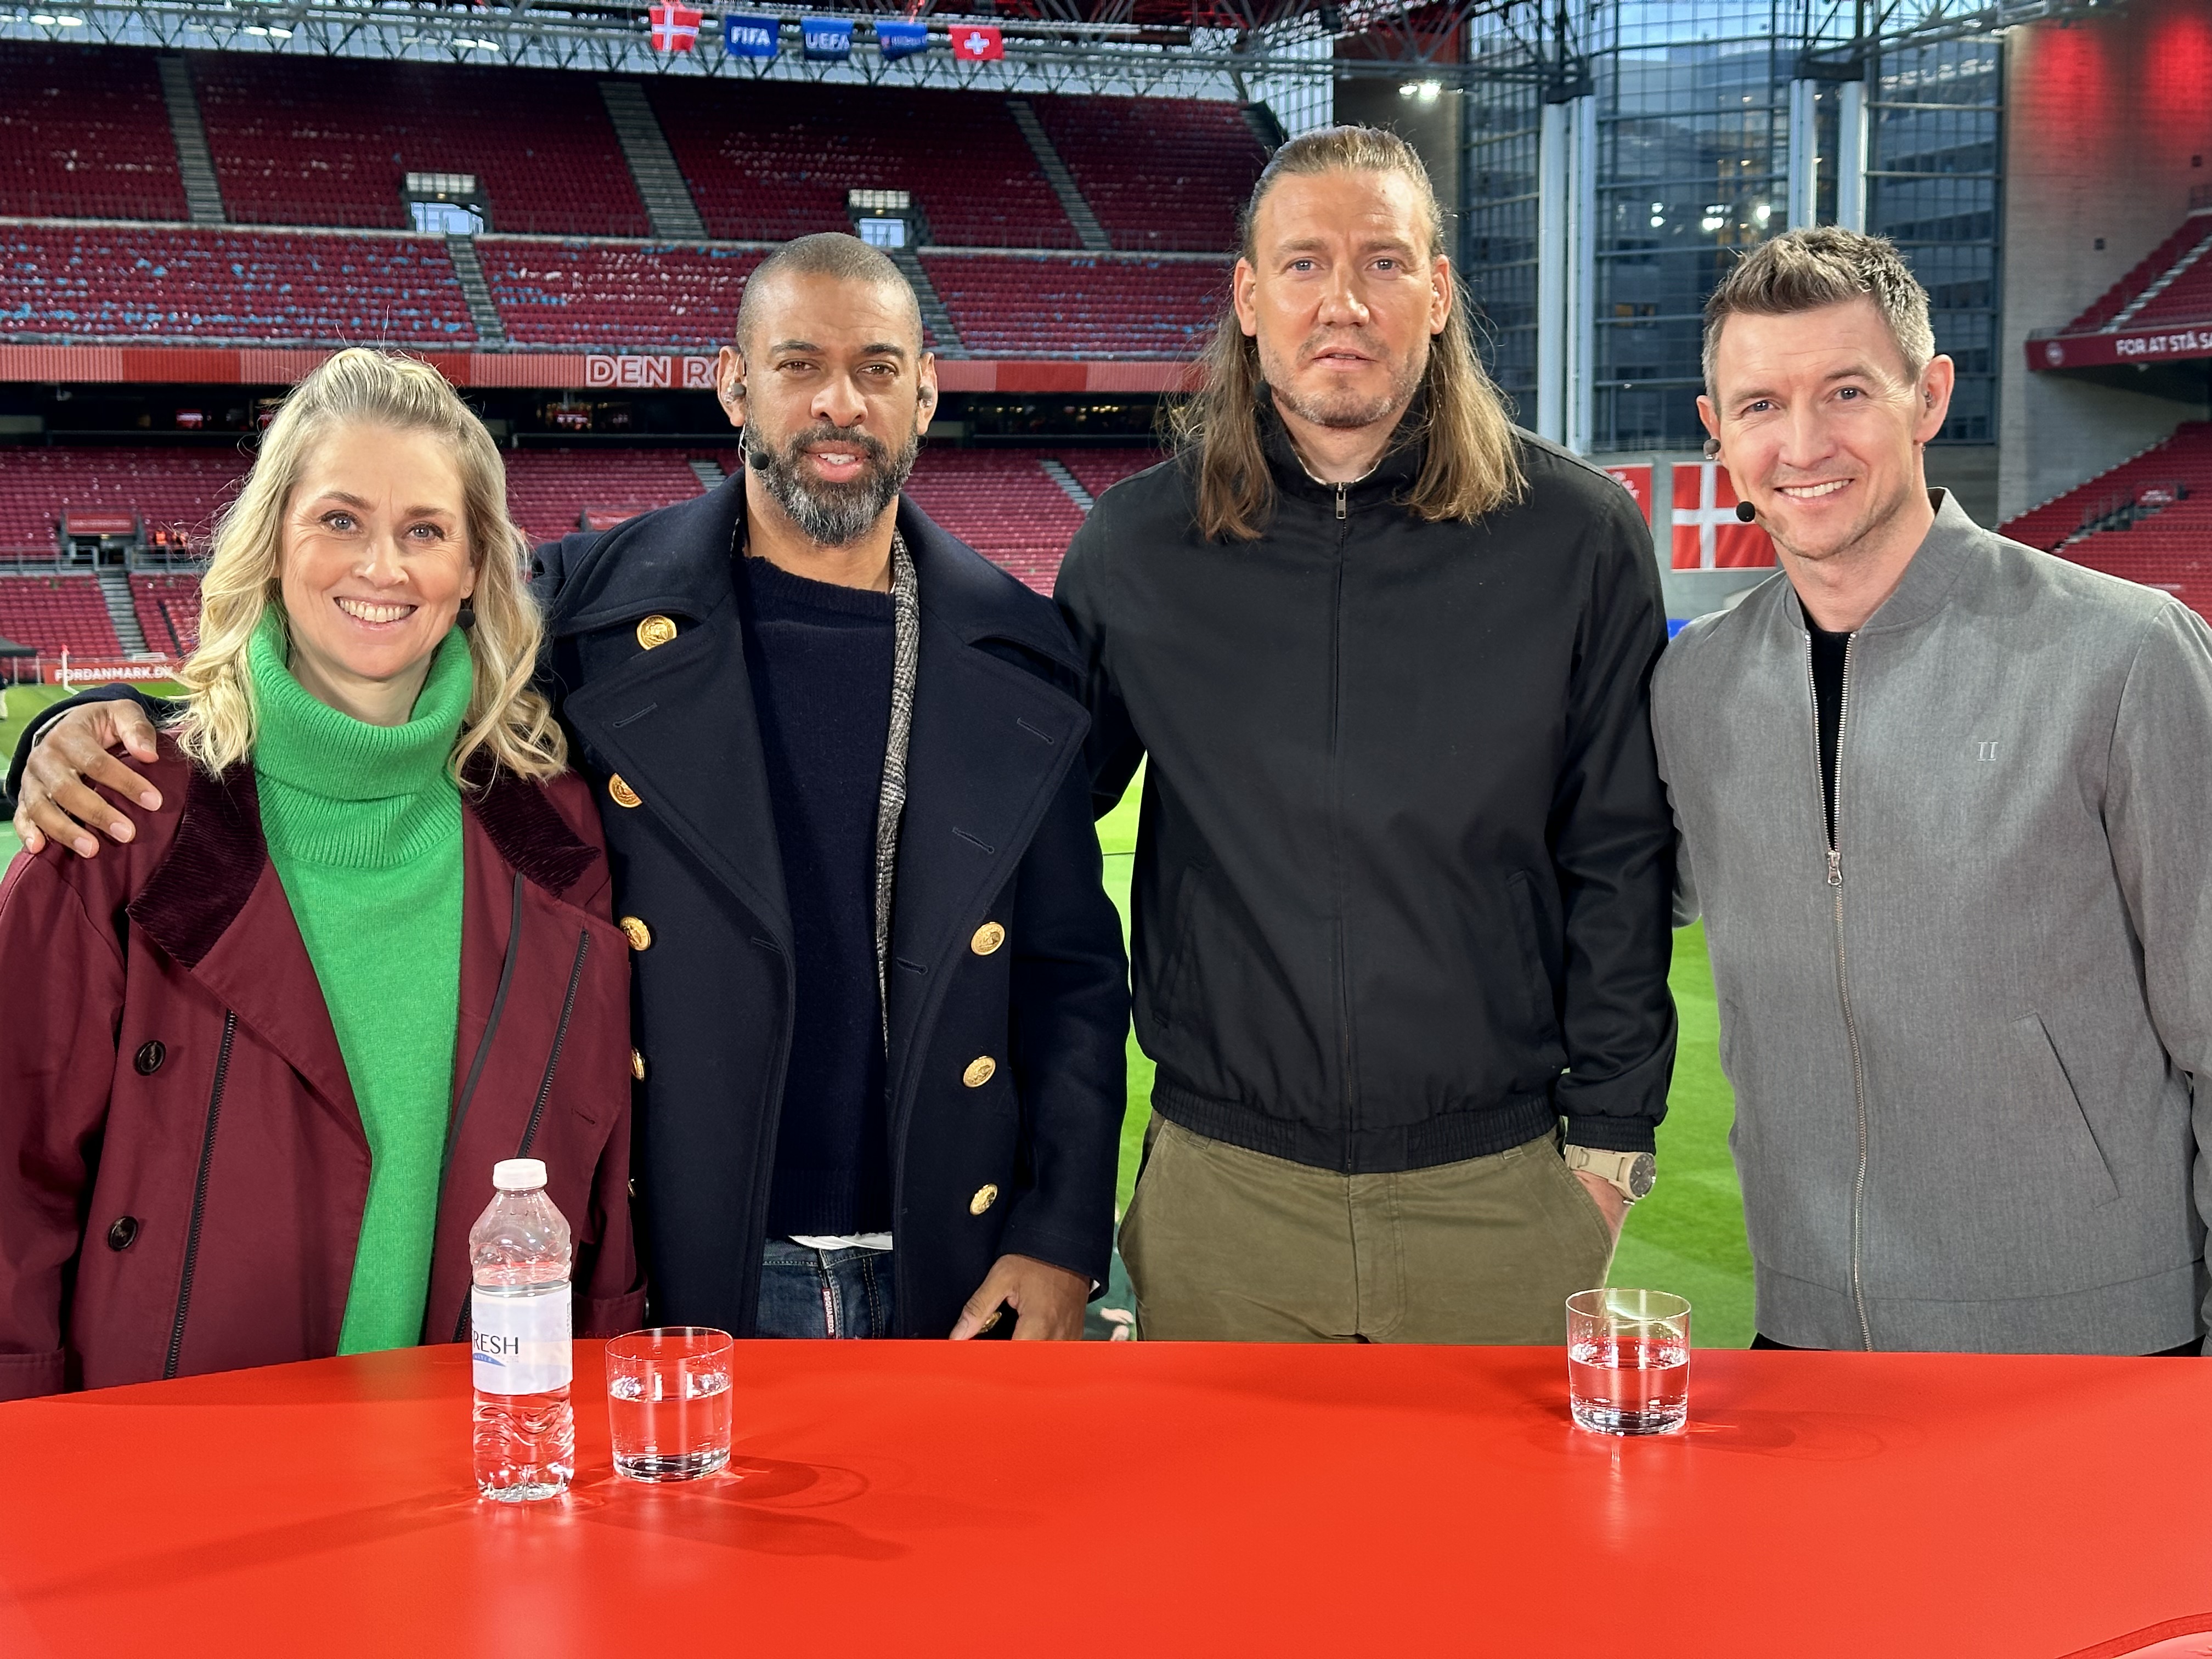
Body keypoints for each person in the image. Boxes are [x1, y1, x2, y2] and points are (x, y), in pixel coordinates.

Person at [12, 235, 1128, 1342]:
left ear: (926, 391)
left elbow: (1071, 973)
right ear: (736, 384)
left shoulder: (1023, 650)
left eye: (878, 368)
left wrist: (1066, 1228)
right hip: (693, 1259)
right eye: (798, 365)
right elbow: (374, 654)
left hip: (954, 1257)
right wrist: (91, 722)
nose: (839, 403)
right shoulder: (582, 615)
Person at [1054, 126, 1677, 1345]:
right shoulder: (1136, 550)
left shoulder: (1579, 536)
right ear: (1247, 298)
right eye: (1303, 265)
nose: (1343, 302)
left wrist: (1604, 1159)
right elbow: (1031, 852)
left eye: (1385, 262)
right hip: (1224, 1195)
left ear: (1440, 293)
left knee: (1491, 1545)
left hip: (1499, 1192)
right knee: (1228, 1541)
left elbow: (1620, 852)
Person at [0, 348, 643, 1400]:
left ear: (476, 566)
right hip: (171, 1471)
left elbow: (598, 1184)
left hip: (479, 1468)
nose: (381, 568)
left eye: (424, 531)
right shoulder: (120, 820)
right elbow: (11, 1185)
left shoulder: (556, 837)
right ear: (274, 540)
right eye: (339, 520)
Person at [1654, 226, 2212, 1355]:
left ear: (1929, 397)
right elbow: (1588, 915)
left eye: (1846, 391)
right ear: (1717, 433)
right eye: (1760, 405)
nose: (1804, 444)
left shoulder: (2129, 656)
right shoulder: (1693, 684)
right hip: (1803, 1336)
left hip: (2094, 1342)